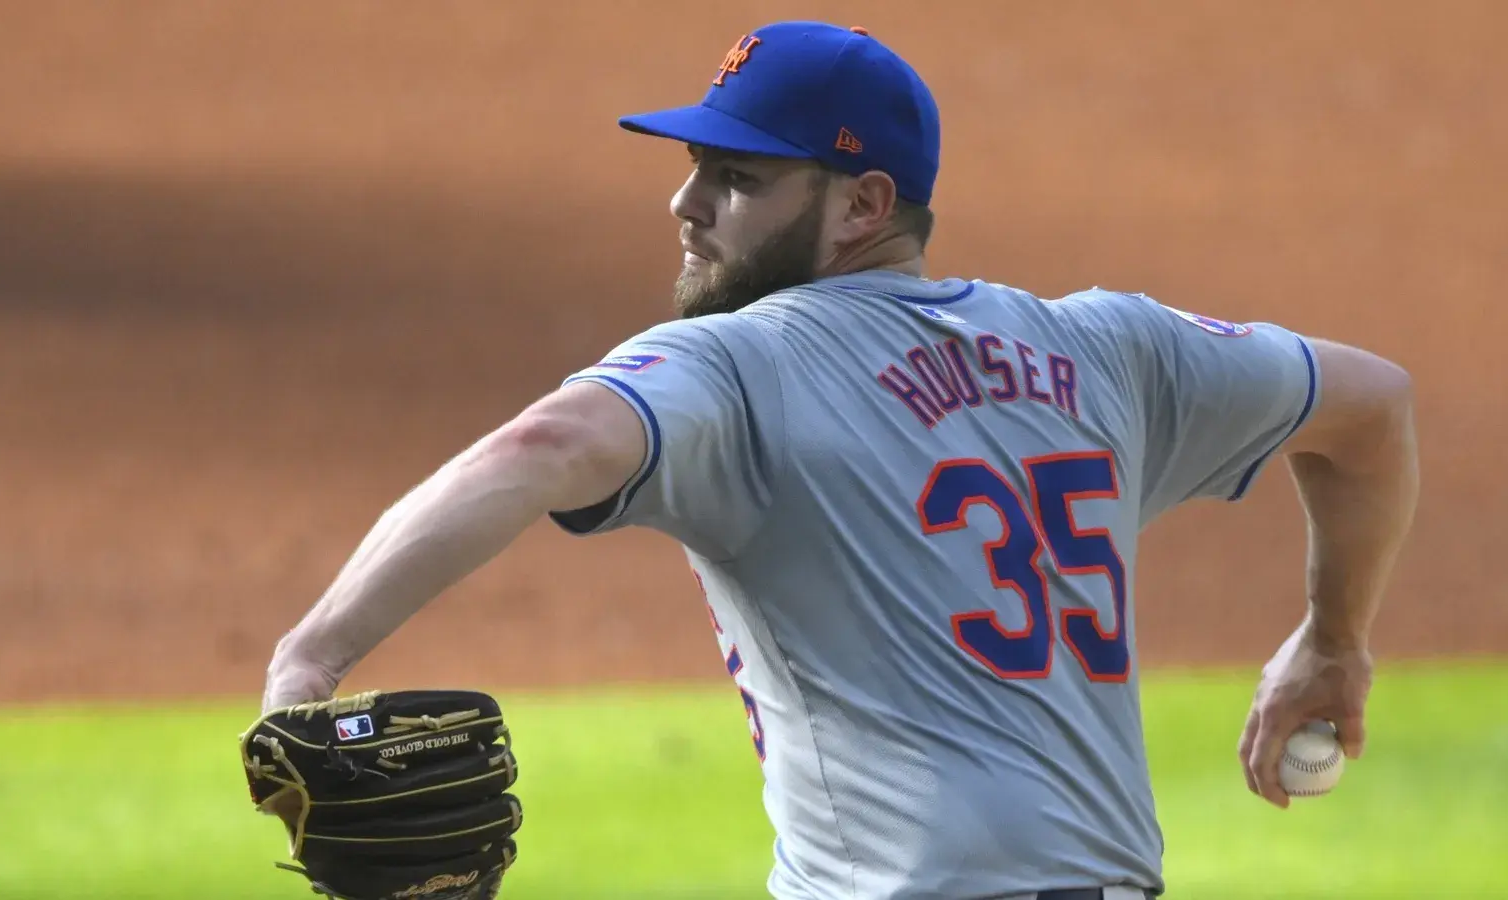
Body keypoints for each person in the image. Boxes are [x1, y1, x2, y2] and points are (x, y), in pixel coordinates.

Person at [260, 20, 1420, 900]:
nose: (686, 202)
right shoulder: (1105, 346)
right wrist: (1332, 640)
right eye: (695, 167)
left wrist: (312, 658)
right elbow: (1373, 410)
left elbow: (546, 444)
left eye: (738, 179)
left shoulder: (740, 364)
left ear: (864, 203)